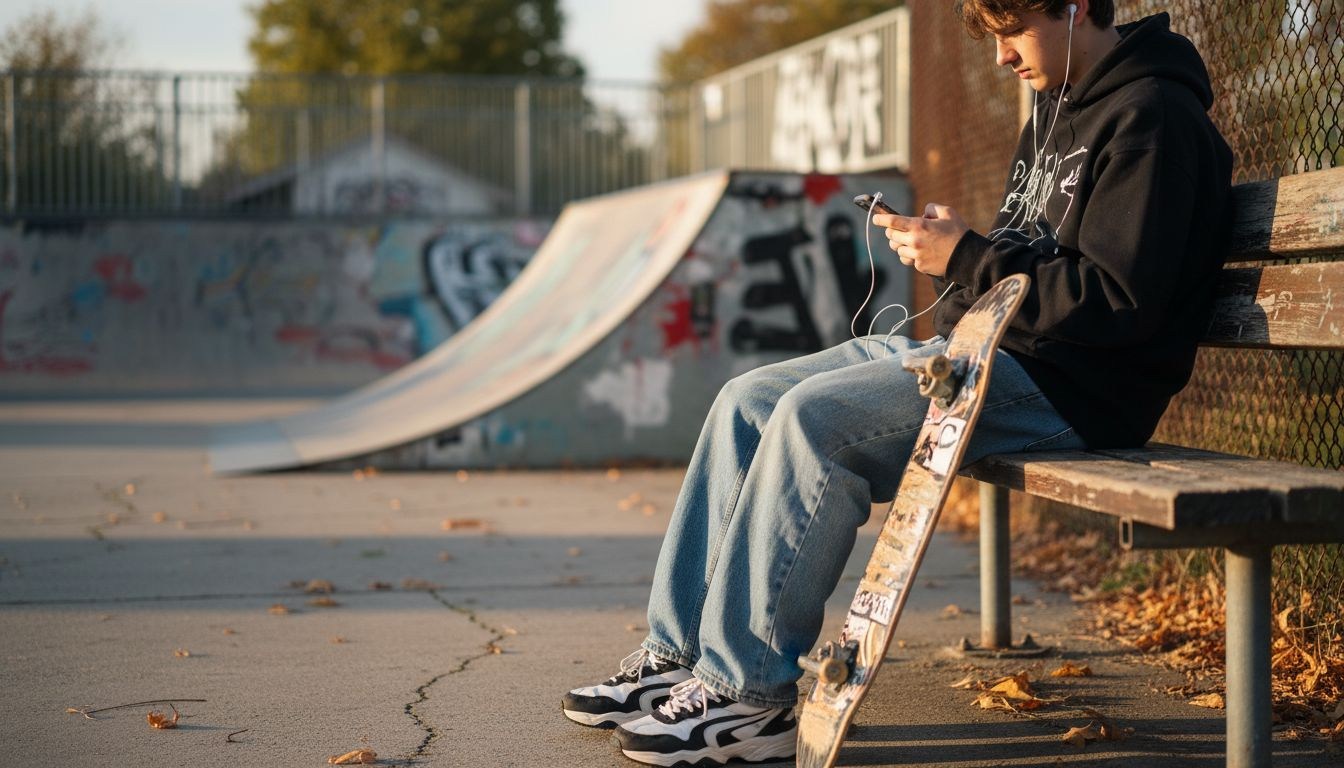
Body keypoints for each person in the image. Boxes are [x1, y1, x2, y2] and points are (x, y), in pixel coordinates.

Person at [563, 1, 1233, 765]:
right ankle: (678, 659)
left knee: (816, 422)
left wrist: (971, 258)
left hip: (1073, 388)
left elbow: (1118, 305)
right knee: (747, 401)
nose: (1002, 59)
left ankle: (749, 698)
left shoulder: (1155, 119)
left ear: (1076, 8)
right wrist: (957, 244)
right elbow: (1030, 256)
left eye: (1013, 32)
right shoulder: (1056, 106)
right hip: (986, 351)